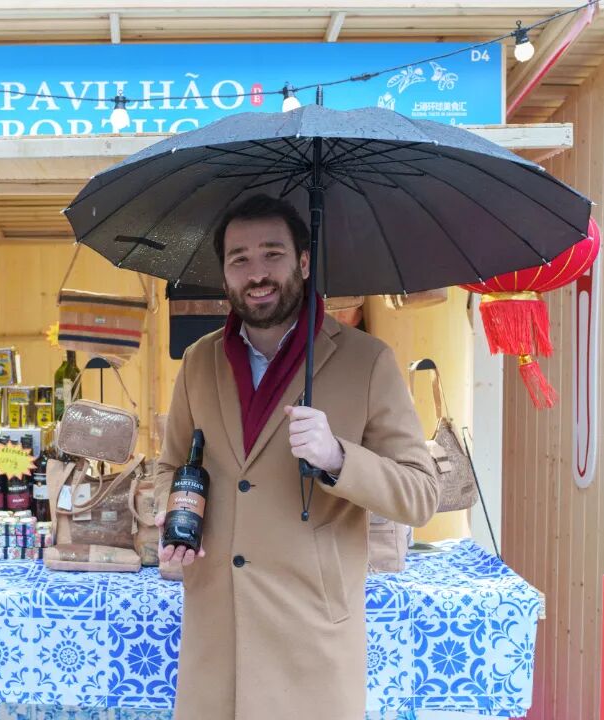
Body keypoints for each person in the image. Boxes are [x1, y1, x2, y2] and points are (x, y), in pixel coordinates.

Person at [154, 194, 440, 719]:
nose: (256, 272)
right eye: (239, 258)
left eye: (272, 254)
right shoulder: (199, 361)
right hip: (216, 636)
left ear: (303, 263)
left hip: (310, 639)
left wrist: (337, 458)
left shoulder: (366, 360)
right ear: (224, 275)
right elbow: (170, 466)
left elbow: (421, 495)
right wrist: (173, 523)